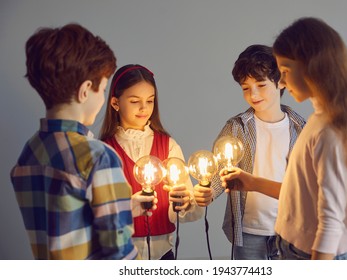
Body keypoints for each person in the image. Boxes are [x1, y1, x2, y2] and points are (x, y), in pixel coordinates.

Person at [220, 17, 347, 260]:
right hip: (294, 248)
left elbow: (330, 222)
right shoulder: (317, 121)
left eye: (284, 72)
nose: (281, 81)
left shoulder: (327, 131)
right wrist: (251, 182)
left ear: (312, 66)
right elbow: (301, 193)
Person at [10, 23, 154, 259]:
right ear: (86, 90)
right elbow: (119, 253)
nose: (103, 99)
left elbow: (66, 220)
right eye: (104, 89)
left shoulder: (30, 152)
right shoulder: (98, 157)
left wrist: (123, 207)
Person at [193, 45, 306, 260]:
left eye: (261, 85)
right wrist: (206, 192)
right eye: (246, 88)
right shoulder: (237, 127)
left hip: (290, 230)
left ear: (281, 81)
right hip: (249, 230)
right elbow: (220, 171)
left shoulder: (300, 129)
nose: (253, 94)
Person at [100, 64, 204, 260]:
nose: (144, 108)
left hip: (162, 254)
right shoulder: (104, 151)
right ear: (115, 103)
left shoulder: (168, 146)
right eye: (134, 101)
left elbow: (190, 209)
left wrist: (185, 202)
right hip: (118, 253)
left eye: (150, 101)